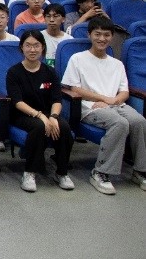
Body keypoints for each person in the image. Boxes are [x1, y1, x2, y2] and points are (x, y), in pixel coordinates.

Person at [62, 16, 146, 195]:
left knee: (139, 121)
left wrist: (113, 101)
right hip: (89, 106)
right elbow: (75, 88)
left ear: (112, 37)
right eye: (97, 34)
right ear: (89, 35)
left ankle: (140, 170)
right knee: (119, 123)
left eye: (106, 35)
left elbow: (124, 92)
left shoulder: (117, 64)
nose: (102, 38)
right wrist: (104, 99)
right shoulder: (78, 59)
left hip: (115, 104)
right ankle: (100, 172)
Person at [6, 30, 76, 192]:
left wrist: (53, 116)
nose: (32, 49)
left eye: (36, 45)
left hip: (47, 113)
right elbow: (17, 102)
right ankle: (29, 172)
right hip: (22, 114)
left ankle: (62, 172)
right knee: (39, 126)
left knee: (64, 127)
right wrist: (40, 116)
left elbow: (57, 99)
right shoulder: (14, 72)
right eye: (28, 45)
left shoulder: (50, 72)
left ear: (42, 47)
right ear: (21, 48)